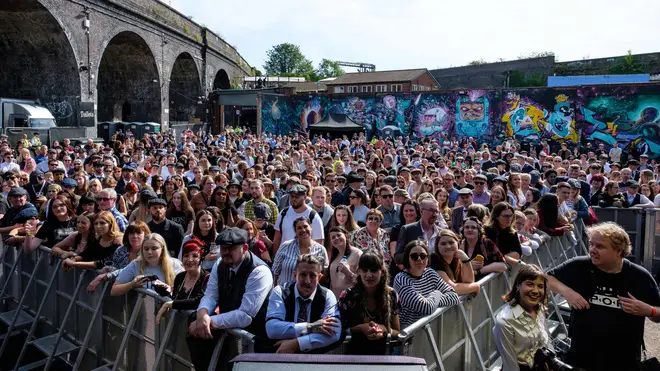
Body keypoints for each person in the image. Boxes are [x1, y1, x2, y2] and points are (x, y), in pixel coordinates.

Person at [547, 222, 660, 371]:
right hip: (581, 357)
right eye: (591, 244)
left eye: (599, 246)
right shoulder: (580, 266)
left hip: (623, 360)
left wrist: (649, 310)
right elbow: (546, 279)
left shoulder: (639, 276)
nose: (592, 250)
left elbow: (658, 314)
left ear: (619, 251)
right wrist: (567, 292)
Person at [187, 228, 273, 371]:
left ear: (245, 248)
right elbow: (210, 295)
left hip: (255, 342)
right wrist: (202, 314)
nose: (226, 252)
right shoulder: (220, 264)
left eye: (232, 248)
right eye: (223, 248)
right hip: (231, 337)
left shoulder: (259, 271)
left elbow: (245, 316)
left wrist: (208, 322)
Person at [265, 254, 342, 353]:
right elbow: (272, 329)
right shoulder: (280, 292)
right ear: (294, 276)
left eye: (312, 276)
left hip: (313, 357)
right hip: (281, 354)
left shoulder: (327, 296)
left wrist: (297, 343)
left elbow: (335, 332)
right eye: (303, 275)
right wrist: (310, 327)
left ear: (319, 277)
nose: (307, 281)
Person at [339, 251, 400, 355]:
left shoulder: (392, 295)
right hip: (353, 356)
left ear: (382, 272)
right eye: (364, 270)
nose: (369, 275)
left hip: (383, 356)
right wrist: (361, 328)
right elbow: (339, 330)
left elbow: (397, 332)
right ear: (359, 271)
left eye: (374, 270)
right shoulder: (347, 296)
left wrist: (384, 329)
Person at [494, 264, 553, 371]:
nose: (535, 291)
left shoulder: (539, 309)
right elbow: (510, 366)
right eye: (530, 284)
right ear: (518, 285)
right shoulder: (505, 321)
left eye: (540, 286)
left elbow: (547, 341)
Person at [393, 240, 460, 329]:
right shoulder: (401, 279)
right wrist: (437, 293)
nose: (419, 259)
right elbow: (425, 308)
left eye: (423, 256)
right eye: (414, 256)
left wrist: (431, 301)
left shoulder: (430, 273)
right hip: (410, 332)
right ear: (407, 258)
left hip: (431, 329)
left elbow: (454, 296)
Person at [156, 238, 211, 324]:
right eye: (186, 255)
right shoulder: (180, 277)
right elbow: (175, 298)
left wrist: (169, 304)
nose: (189, 259)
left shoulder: (207, 278)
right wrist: (165, 292)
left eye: (195, 256)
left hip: (195, 328)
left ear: (201, 258)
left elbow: (199, 301)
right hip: (175, 325)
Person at [87, 221, 150, 292]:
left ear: (145, 235)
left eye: (138, 233)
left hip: (141, 296)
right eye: (131, 233)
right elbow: (116, 267)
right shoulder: (120, 250)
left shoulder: (148, 253)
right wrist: (108, 269)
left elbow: (129, 271)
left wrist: (104, 276)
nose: (134, 236)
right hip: (118, 292)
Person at [273, 217, 328, 285]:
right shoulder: (285, 246)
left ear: (311, 227)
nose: (303, 230)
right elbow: (275, 272)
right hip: (284, 292)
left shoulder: (320, 249)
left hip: (308, 292)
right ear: (295, 232)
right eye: (299, 228)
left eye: (305, 226)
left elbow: (324, 274)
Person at [272, 184, 325, 254]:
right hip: (284, 257)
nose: (294, 199)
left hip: (304, 260)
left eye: (297, 197)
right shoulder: (283, 213)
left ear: (305, 197)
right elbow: (277, 238)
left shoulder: (313, 216)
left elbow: (319, 243)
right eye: (292, 196)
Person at [431, 229, 480, 295]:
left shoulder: (457, 259)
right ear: (437, 247)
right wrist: (476, 286)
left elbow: (468, 282)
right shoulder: (434, 259)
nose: (448, 246)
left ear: (457, 243)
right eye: (443, 244)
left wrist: (466, 260)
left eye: (451, 243)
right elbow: (451, 289)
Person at [326, 226, 362, 298]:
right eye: (333, 237)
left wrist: (348, 273)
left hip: (351, 299)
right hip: (335, 300)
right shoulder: (334, 256)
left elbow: (362, 282)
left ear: (346, 235)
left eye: (338, 235)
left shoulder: (357, 254)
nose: (336, 238)